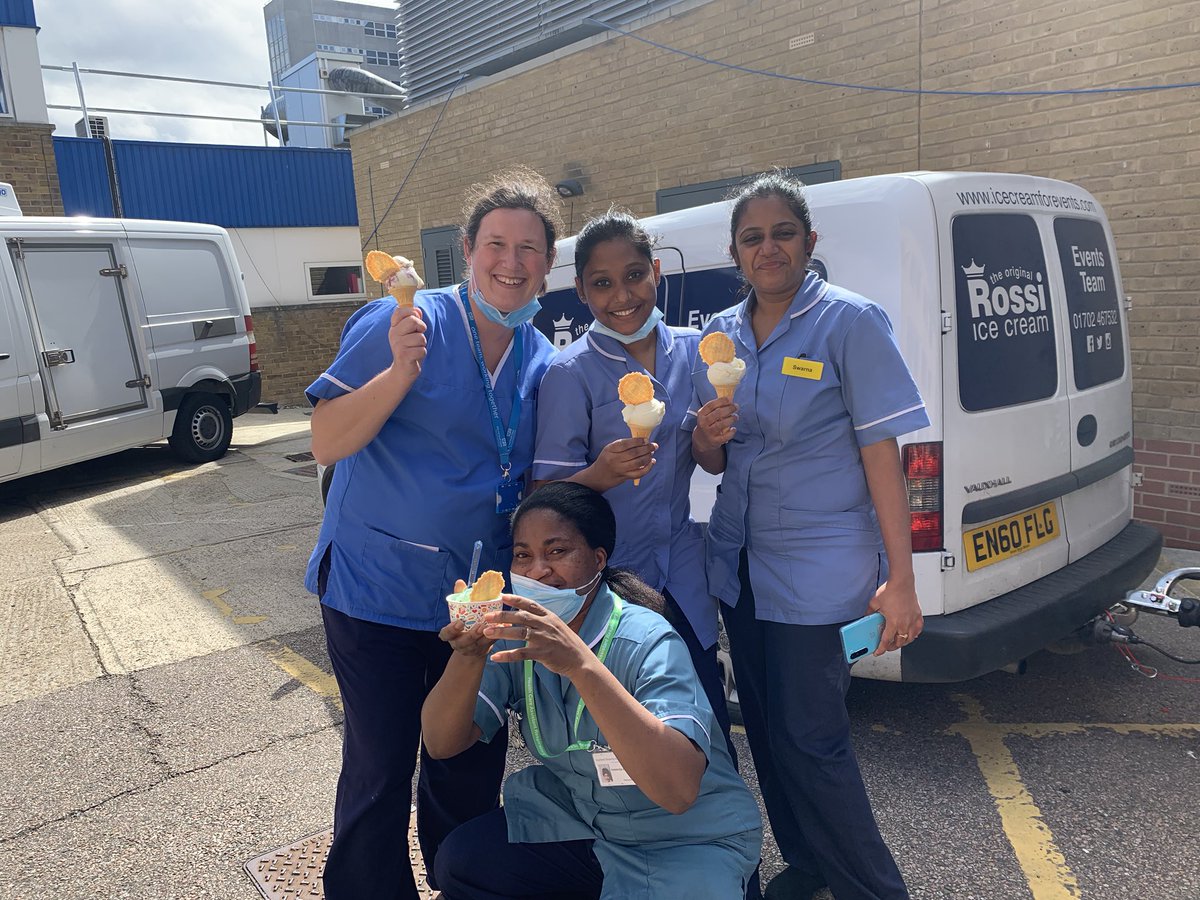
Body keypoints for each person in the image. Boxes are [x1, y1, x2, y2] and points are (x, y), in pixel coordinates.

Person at [304, 169, 562, 899]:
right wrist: (398, 373)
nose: (511, 263)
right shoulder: (405, 323)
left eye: (530, 249)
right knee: (382, 767)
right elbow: (326, 440)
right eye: (496, 245)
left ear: (548, 263)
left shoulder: (540, 357)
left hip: (475, 601)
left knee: (467, 758)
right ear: (467, 251)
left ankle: (465, 882)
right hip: (375, 590)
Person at [688, 172, 928, 900]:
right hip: (740, 567)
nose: (769, 248)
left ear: (809, 241)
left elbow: (882, 452)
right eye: (753, 237)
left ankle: (874, 889)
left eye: (783, 233)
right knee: (764, 728)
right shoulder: (720, 335)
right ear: (736, 252)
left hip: (820, 571)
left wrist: (902, 577)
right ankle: (811, 863)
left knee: (813, 740)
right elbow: (714, 460)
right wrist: (705, 436)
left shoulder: (850, 322)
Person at [423, 482, 762, 900]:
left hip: (683, 839)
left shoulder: (648, 639)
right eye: (523, 555)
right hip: (586, 821)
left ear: (598, 559)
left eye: (557, 551)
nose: (537, 571)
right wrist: (468, 657)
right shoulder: (515, 635)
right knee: (463, 863)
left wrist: (581, 666)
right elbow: (441, 743)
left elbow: (678, 791)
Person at [532, 210, 734, 758]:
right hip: (610, 579)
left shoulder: (695, 351)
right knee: (626, 732)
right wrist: (602, 474)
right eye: (602, 283)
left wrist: (710, 439)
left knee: (705, 718)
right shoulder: (568, 373)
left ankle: (725, 835)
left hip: (684, 572)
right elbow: (545, 496)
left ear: (657, 273)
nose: (622, 295)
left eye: (634, 275)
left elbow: (712, 465)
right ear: (580, 291)